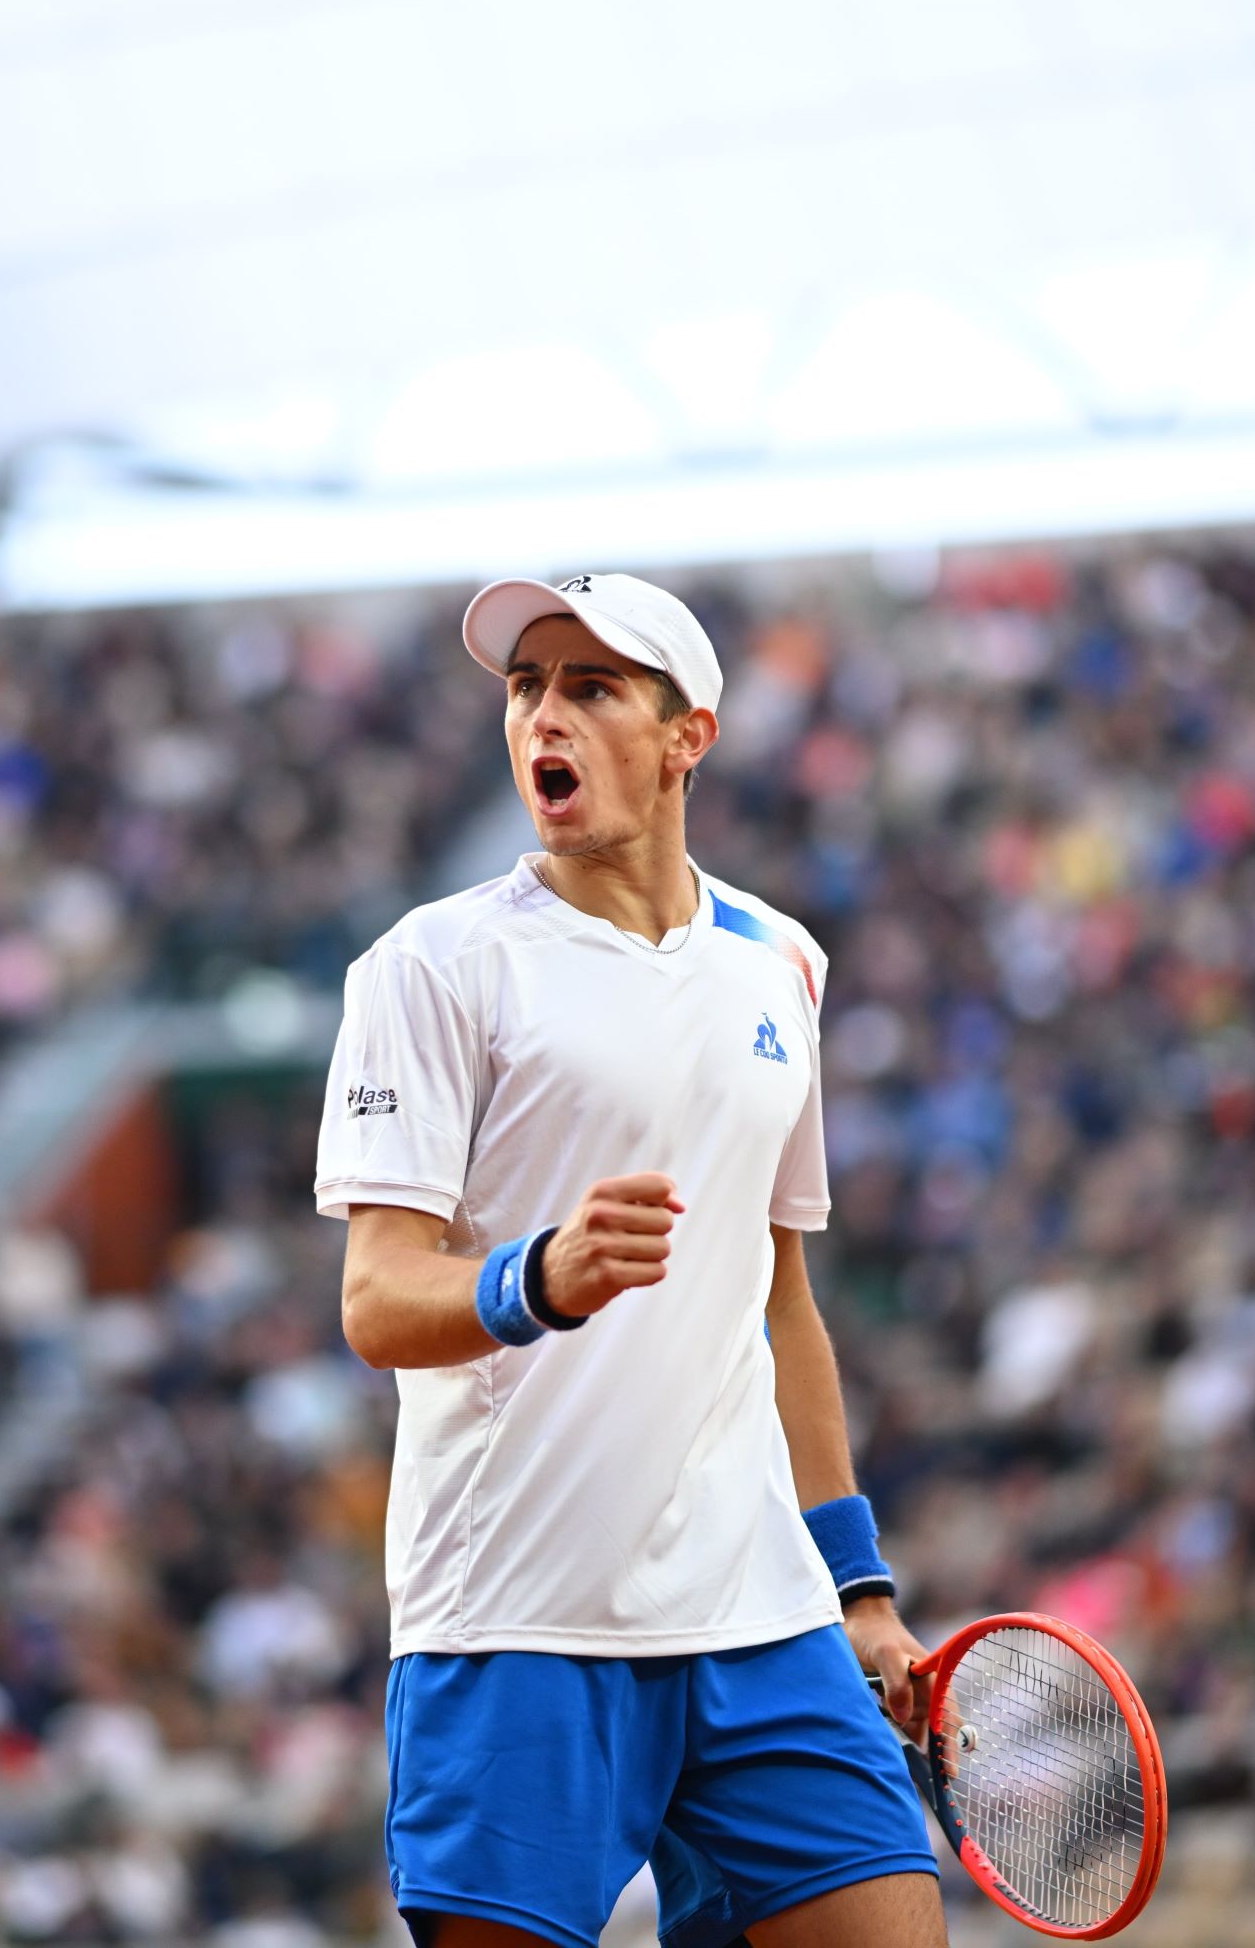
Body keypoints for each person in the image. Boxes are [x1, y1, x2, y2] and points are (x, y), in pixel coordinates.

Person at [316, 572, 949, 1948]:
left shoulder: (783, 962)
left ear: (688, 738)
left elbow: (779, 1306)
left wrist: (859, 1589)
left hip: (755, 1608)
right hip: (514, 1618)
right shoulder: (427, 968)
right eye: (526, 689)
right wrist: (534, 1278)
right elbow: (375, 1301)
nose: (546, 713)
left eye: (593, 687)